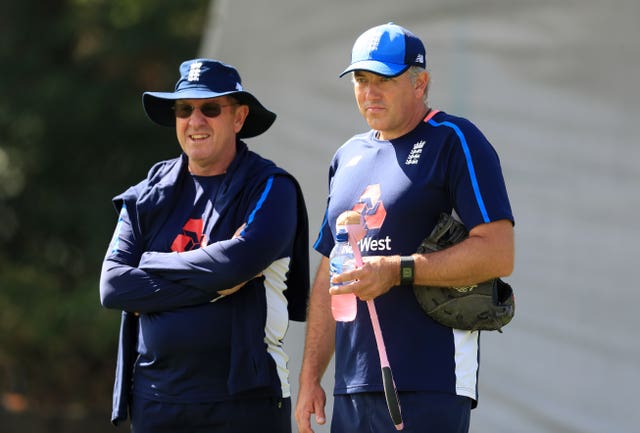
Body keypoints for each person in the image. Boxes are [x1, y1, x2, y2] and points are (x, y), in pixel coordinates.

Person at [294, 23, 514, 433]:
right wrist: (310, 378)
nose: (370, 92)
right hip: (353, 387)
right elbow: (330, 269)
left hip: (431, 380)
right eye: (361, 79)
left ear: (420, 82)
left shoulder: (455, 139)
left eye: (384, 79)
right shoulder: (347, 155)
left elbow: (498, 252)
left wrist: (397, 270)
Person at [99, 58, 309, 433]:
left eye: (210, 108)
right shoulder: (147, 193)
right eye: (184, 109)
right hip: (156, 402)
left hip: (247, 403)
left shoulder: (272, 188)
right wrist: (212, 288)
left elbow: (234, 264)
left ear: (239, 118)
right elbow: (113, 286)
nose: (195, 121)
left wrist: (146, 265)